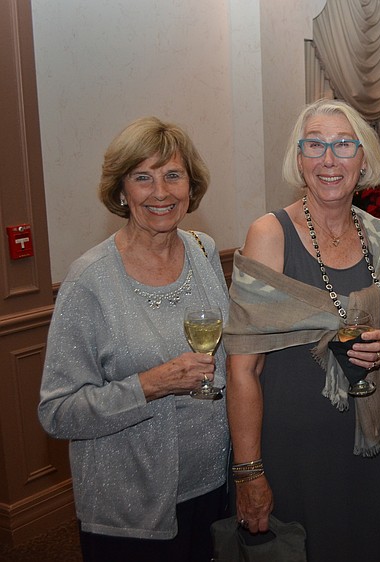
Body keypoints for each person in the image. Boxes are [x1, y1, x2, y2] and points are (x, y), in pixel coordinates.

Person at [223, 99, 380, 562]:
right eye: (315, 145)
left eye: (344, 145)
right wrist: (249, 472)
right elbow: (243, 368)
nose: (329, 159)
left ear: (364, 159)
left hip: (363, 449)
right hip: (288, 452)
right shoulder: (270, 234)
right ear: (299, 157)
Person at [38, 117, 230, 561]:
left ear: (191, 186)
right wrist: (150, 385)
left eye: (173, 175)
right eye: (143, 177)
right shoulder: (89, 280)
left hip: (213, 490)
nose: (160, 192)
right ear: (122, 192)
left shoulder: (203, 251)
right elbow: (57, 413)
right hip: (130, 509)